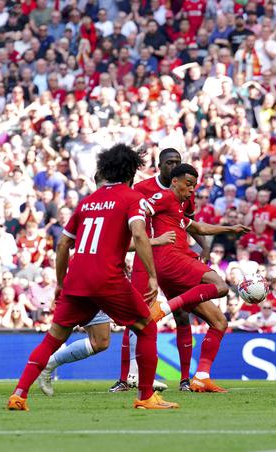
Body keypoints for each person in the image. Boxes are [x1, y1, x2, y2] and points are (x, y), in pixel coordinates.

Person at [7, 144, 178, 411]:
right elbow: (139, 235)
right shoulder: (131, 198)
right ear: (131, 170)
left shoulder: (87, 201)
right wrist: (153, 278)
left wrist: (61, 283)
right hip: (107, 278)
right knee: (146, 325)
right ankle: (146, 397)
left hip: (77, 278)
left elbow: (63, 244)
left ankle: (19, 394)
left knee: (53, 338)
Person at [36, 170, 173, 397]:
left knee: (100, 342)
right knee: (141, 322)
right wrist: (156, 241)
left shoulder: (93, 205)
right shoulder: (97, 206)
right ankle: (139, 382)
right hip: (92, 280)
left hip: (97, 277)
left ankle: (47, 366)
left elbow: (106, 245)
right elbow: (93, 245)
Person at [111, 148, 208, 394]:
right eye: (169, 162)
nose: (173, 165)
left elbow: (189, 222)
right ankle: (125, 378)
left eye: (177, 161)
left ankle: (185, 379)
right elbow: (128, 220)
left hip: (175, 257)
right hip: (148, 257)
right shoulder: (142, 189)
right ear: (159, 164)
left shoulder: (186, 189)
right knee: (137, 312)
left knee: (183, 315)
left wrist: (204, 246)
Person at [146, 164, 250, 393]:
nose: (192, 189)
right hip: (172, 258)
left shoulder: (179, 207)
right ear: (175, 181)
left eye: (195, 185)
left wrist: (230, 229)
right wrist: (152, 239)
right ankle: (165, 307)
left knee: (219, 322)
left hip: (172, 266)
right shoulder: (162, 198)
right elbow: (136, 214)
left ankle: (201, 377)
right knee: (220, 285)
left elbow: (198, 228)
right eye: (188, 184)